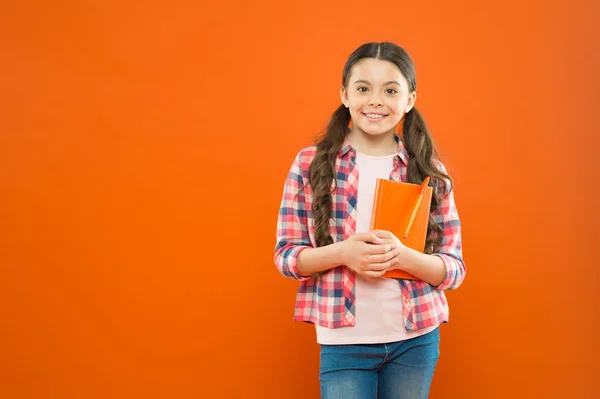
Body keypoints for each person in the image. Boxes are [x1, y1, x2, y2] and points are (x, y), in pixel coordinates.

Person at [273, 41, 466, 399]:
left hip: (416, 339)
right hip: (344, 341)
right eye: (363, 88)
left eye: (390, 90)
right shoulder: (310, 164)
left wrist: (402, 257)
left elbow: (454, 270)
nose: (375, 100)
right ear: (345, 95)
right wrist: (344, 254)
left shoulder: (428, 172)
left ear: (409, 99)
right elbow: (286, 257)